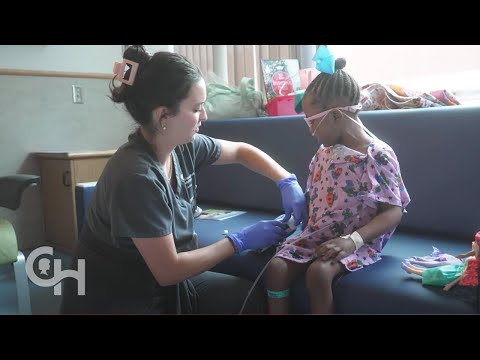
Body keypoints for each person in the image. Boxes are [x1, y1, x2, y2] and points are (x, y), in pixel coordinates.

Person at [60, 45, 308, 314]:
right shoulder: (136, 177)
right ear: (163, 115)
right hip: (121, 296)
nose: (205, 116)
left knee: (245, 299)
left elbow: (240, 151)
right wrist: (238, 241)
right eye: (196, 108)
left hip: (159, 283)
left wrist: (285, 180)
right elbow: (168, 270)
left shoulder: (181, 145)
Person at [265, 49, 411, 314]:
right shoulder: (324, 153)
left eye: (312, 122)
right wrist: (288, 223)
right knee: (276, 268)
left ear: (335, 116)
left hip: (357, 242)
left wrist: (352, 241)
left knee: (319, 274)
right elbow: (316, 201)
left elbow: (393, 211)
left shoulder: (376, 155)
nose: (310, 130)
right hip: (319, 235)